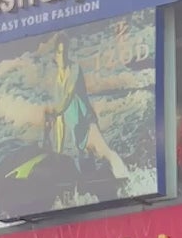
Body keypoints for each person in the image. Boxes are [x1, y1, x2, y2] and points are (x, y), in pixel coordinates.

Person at [46, 36, 130, 181]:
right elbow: (60, 122)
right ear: (55, 55)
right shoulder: (56, 85)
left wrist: (55, 112)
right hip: (77, 132)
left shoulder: (75, 69)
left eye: (65, 52)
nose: (63, 56)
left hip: (88, 124)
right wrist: (58, 152)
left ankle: (127, 180)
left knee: (106, 153)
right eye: (59, 52)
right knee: (87, 172)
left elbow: (69, 94)